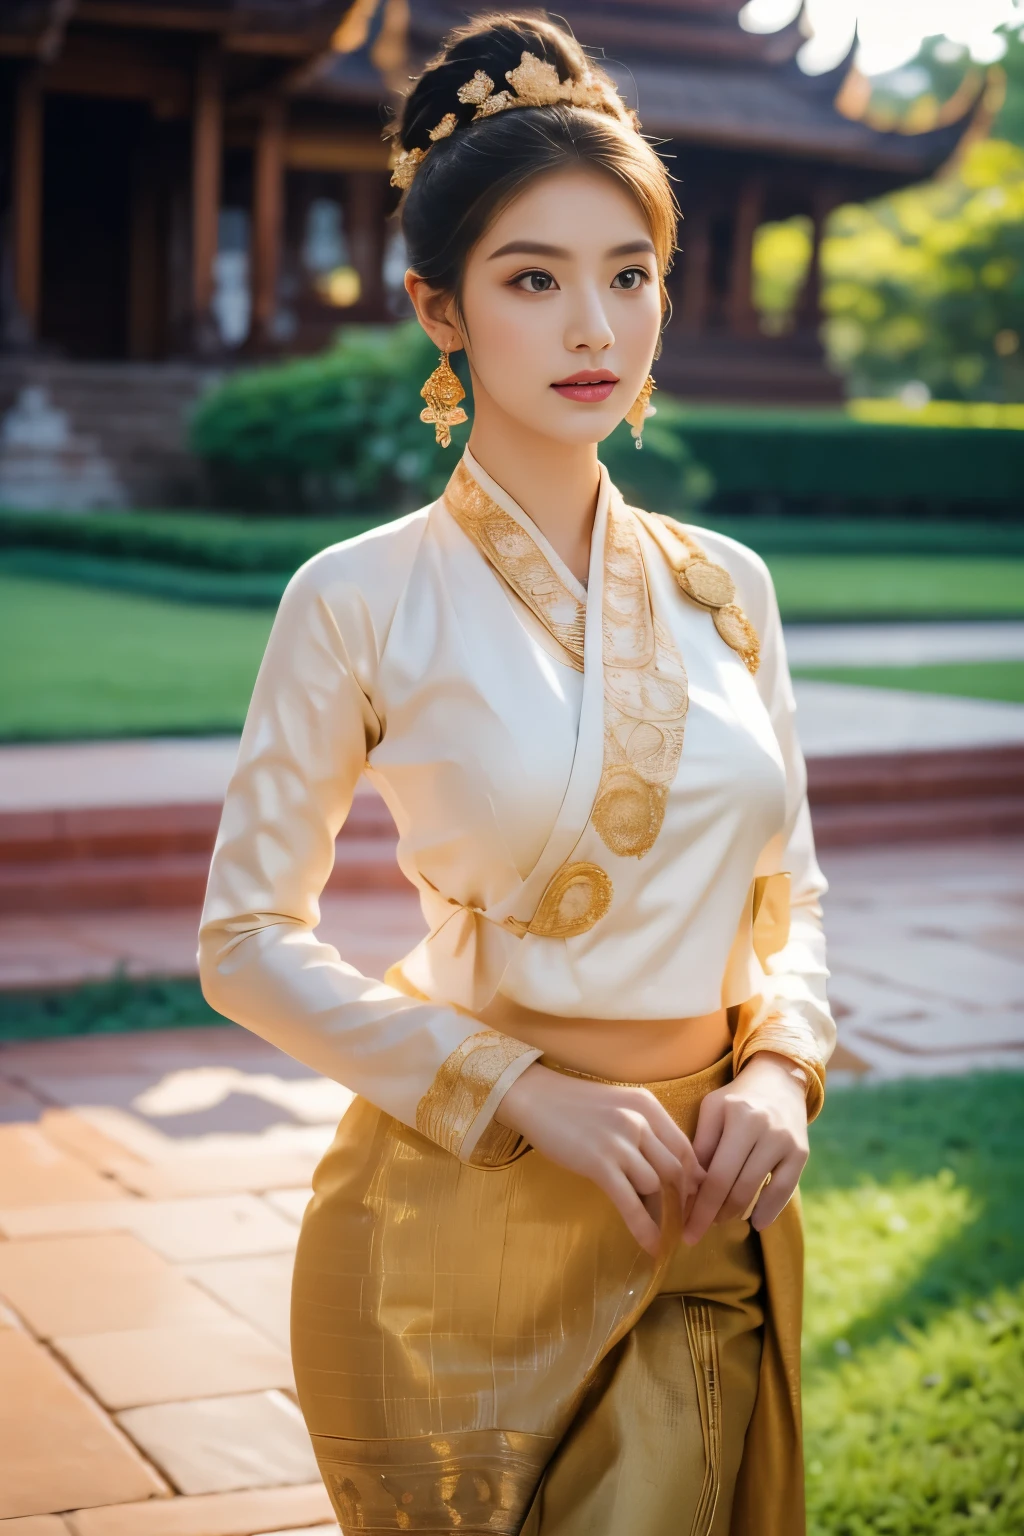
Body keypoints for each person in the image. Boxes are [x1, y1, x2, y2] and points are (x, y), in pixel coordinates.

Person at [199, 13, 835, 1534]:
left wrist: (783, 1064)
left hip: (704, 1208)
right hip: (463, 1222)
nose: (593, 328)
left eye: (629, 274)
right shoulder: (357, 598)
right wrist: (517, 1091)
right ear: (441, 308)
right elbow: (243, 942)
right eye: (533, 279)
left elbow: (788, 891)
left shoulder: (728, 587)